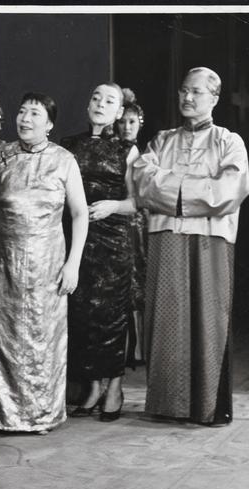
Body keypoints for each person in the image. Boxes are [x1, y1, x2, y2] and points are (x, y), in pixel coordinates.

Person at [132, 67, 249, 426]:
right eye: (184, 90)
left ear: (214, 98)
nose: (187, 97)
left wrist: (172, 186)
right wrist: (197, 185)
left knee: (208, 319)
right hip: (165, 236)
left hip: (211, 240)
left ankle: (205, 407)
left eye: (196, 92)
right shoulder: (161, 141)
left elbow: (228, 191)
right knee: (165, 319)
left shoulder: (229, 142)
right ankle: (168, 404)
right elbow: (143, 182)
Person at [0, 92, 89, 440]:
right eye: (23, 112)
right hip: (2, 262)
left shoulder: (64, 160)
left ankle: (41, 414)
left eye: (35, 114)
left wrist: (73, 264)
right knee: (0, 337)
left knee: (43, 340)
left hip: (48, 265)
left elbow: (80, 214)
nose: (25, 119)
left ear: (50, 123)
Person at [62, 83, 139, 422]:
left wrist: (113, 206)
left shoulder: (127, 150)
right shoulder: (68, 146)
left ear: (119, 112)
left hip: (113, 243)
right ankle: (93, 387)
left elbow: (137, 202)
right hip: (76, 240)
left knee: (111, 317)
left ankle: (115, 387)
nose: (100, 104)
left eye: (109, 101)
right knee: (82, 316)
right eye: (95, 97)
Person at [116, 88, 148, 368]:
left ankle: (138, 349)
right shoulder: (116, 150)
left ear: (140, 124)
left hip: (136, 222)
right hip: (121, 219)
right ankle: (127, 349)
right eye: (123, 122)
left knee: (137, 278)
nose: (127, 127)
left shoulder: (139, 153)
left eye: (132, 122)